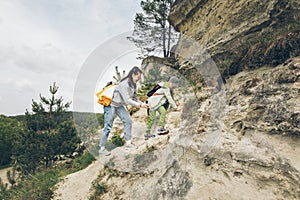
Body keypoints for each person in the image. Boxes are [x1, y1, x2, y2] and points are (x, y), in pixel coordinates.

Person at [99, 66, 149, 156]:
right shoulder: (124, 84)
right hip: (110, 104)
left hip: (119, 105)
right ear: (133, 75)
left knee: (128, 121)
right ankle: (102, 148)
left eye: (139, 77)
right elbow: (127, 100)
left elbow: (135, 98)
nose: (138, 79)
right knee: (108, 126)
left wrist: (143, 104)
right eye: (137, 77)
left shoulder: (133, 85)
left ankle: (128, 143)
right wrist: (140, 105)